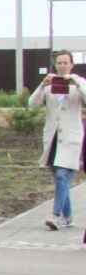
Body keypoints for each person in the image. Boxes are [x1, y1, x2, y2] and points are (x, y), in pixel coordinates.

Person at [27, 50, 83, 231]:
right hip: (52, 139)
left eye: (65, 62)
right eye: (59, 63)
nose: (62, 66)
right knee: (60, 180)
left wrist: (77, 83)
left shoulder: (78, 83)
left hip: (71, 138)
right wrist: (42, 86)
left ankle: (56, 215)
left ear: (71, 64)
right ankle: (69, 217)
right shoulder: (49, 85)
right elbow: (32, 105)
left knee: (62, 175)